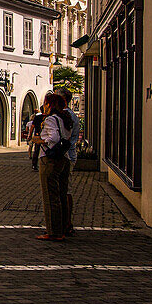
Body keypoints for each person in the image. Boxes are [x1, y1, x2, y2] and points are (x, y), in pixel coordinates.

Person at [31, 91, 73, 241]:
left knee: (50, 196)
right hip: (64, 158)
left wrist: (39, 140)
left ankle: (53, 231)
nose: (44, 106)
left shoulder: (50, 119)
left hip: (50, 159)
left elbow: (53, 138)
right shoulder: (65, 119)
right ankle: (62, 228)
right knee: (61, 195)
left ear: (50, 104)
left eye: (45, 103)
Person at [56, 87, 81, 235]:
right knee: (64, 190)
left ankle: (66, 223)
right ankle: (65, 222)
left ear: (63, 100)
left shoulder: (66, 116)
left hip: (66, 156)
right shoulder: (68, 115)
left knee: (65, 190)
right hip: (69, 155)